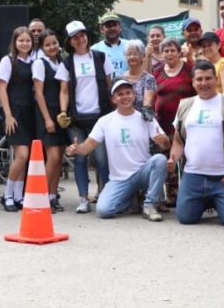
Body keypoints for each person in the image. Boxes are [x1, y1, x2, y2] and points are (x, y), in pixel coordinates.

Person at [66, 80, 170, 221]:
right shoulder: (105, 121)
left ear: (134, 95)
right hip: (120, 179)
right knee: (103, 210)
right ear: (114, 99)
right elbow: (87, 148)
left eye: (128, 93)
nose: (125, 97)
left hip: (142, 173)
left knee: (160, 160)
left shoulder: (145, 118)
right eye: (120, 94)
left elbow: (165, 145)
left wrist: (163, 140)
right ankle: (130, 198)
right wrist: (75, 149)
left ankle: (149, 204)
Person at [169, 61, 224, 226]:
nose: (204, 83)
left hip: (223, 176)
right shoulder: (185, 105)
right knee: (186, 218)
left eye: (208, 78)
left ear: (216, 79)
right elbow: (178, 140)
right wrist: (172, 159)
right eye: (199, 79)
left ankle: (218, 199)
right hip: (193, 175)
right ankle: (206, 201)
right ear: (193, 82)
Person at [61, 21, 113, 214]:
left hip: (100, 117)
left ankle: (105, 196)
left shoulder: (100, 58)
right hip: (76, 119)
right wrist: (62, 111)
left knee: (102, 159)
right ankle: (83, 198)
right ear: (70, 42)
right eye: (75, 37)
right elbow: (64, 90)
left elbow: (109, 86)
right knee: (80, 159)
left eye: (82, 35)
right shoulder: (66, 62)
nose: (80, 39)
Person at [0, 26, 37, 211]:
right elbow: (1, 89)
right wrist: (8, 115)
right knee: (22, 155)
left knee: (25, 158)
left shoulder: (35, 61)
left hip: (30, 113)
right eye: (21, 40)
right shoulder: (8, 61)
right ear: (14, 42)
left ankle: (19, 196)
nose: (25, 43)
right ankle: (7, 194)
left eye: (28, 40)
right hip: (15, 112)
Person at [153, 38, 196, 208]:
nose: (169, 54)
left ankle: (187, 193)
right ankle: (171, 195)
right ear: (162, 54)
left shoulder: (188, 69)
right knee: (168, 160)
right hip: (163, 122)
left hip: (185, 122)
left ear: (179, 52)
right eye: (166, 51)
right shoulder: (157, 70)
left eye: (172, 50)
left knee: (186, 159)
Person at [33, 29, 70, 213]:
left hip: (61, 114)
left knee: (59, 158)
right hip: (46, 113)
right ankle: (42, 197)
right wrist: (47, 118)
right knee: (53, 156)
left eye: (54, 43)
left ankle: (53, 196)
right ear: (41, 47)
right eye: (47, 44)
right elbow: (38, 93)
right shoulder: (40, 64)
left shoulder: (62, 62)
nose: (52, 47)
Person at [119, 40, 157, 116]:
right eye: (129, 54)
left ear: (142, 56)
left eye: (135, 54)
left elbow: (148, 101)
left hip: (143, 119)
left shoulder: (149, 79)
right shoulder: (119, 79)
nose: (132, 57)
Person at [198, 32, 224, 96]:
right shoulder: (202, 64)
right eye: (203, 46)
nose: (206, 48)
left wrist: (223, 105)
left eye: (209, 45)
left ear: (219, 45)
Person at [91, 12, 127, 77]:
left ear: (120, 27)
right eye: (108, 26)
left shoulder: (130, 46)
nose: (112, 28)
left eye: (114, 25)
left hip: (127, 86)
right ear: (101, 29)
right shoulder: (94, 50)